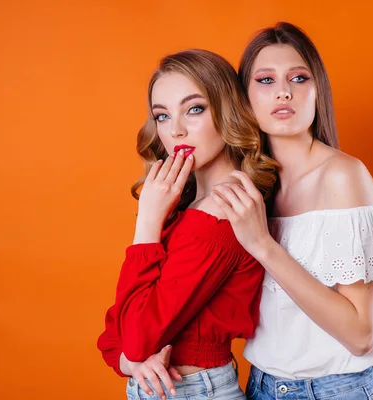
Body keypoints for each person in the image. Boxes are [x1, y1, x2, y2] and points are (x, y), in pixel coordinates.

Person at [210, 22, 373, 400]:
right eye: (265, 80)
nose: (283, 91)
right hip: (259, 386)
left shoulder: (343, 177)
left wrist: (264, 245)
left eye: (298, 77)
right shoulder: (250, 185)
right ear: (244, 97)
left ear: (317, 92)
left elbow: (360, 335)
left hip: (334, 390)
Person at [97, 49, 279, 400]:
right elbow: (114, 331)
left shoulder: (224, 209)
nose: (175, 130)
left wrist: (148, 221)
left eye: (194, 109)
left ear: (227, 111)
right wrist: (129, 363)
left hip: (194, 391)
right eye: (162, 116)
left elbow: (136, 340)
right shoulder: (188, 206)